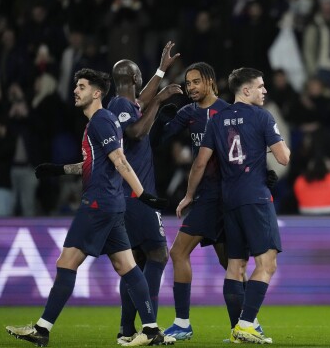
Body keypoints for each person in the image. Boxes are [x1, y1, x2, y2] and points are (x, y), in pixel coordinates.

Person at [5, 68, 172, 347]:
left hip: (97, 204)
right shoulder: (99, 122)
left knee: (66, 263)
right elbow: (94, 164)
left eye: (81, 86)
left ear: (96, 93)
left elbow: (120, 161)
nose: (75, 90)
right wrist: (59, 169)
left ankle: (42, 330)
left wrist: (142, 195)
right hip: (111, 204)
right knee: (128, 267)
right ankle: (152, 329)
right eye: (76, 86)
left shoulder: (101, 120)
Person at [176, 67, 290, 344]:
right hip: (256, 198)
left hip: (229, 201)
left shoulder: (216, 120)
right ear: (246, 90)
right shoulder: (262, 116)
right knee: (267, 263)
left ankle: (236, 332)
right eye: (261, 86)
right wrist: (271, 144)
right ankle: (247, 324)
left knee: (235, 266)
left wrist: (189, 195)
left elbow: (200, 162)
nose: (265, 90)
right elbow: (284, 158)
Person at [107, 41, 182, 344]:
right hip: (136, 196)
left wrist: (161, 70)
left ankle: (127, 330)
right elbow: (137, 131)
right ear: (134, 80)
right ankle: (150, 327)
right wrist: (161, 101)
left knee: (135, 263)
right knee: (158, 255)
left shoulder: (123, 104)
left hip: (126, 196)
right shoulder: (118, 106)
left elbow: (140, 104)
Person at [152, 62, 229, 341]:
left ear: (209, 80)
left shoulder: (228, 112)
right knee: (228, 262)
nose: (191, 87)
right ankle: (248, 323)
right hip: (209, 196)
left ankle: (183, 323)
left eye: (196, 81)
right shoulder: (188, 113)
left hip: (216, 196)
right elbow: (159, 140)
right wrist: (161, 117)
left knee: (178, 252)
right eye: (188, 84)